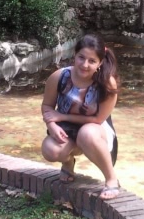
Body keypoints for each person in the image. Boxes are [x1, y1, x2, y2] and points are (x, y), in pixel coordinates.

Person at [41, 34, 120, 199]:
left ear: (100, 63)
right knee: (50, 150)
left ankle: (111, 179)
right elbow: (47, 106)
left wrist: (62, 117)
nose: (84, 65)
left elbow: (98, 119)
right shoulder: (59, 77)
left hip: (96, 130)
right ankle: (68, 163)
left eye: (92, 61)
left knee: (87, 133)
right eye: (81, 58)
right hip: (67, 128)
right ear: (74, 55)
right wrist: (52, 126)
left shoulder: (107, 84)